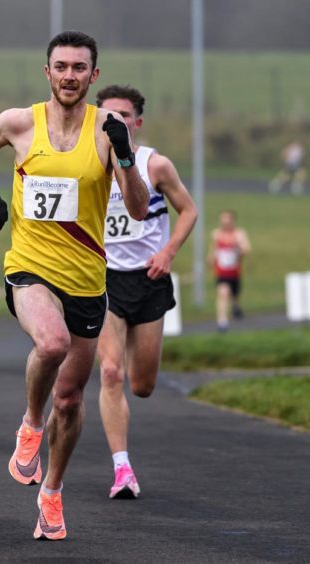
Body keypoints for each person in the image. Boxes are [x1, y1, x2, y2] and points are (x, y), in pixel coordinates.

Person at [0, 31, 149, 541]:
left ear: (93, 76)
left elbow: (136, 209)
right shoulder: (19, 123)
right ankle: (29, 423)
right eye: (61, 66)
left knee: (69, 402)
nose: (69, 76)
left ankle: (51, 491)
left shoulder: (108, 129)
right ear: (46, 72)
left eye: (79, 68)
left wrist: (126, 158)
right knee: (51, 342)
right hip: (29, 267)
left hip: (88, 281)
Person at [93, 84, 197, 499]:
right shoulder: (89, 165)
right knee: (110, 372)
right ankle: (122, 469)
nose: (115, 122)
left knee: (142, 384)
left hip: (149, 278)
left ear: (137, 122)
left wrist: (168, 251)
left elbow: (188, 210)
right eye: (107, 115)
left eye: (123, 115)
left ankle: (124, 459)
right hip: (104, 279)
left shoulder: (156, 165)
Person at [207, 210, 251, 332]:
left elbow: (247, 250)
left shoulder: (239, 234)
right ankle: (222, 322)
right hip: (221, 272)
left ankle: (236, 307)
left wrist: (238, 247)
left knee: (235, 295)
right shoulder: (216, 234)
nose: (225, 222)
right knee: (223, 292)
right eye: (223, 219)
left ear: (232, 221)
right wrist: (210, 259)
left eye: (228, 219)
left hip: (235, 272)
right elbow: (213, 250)